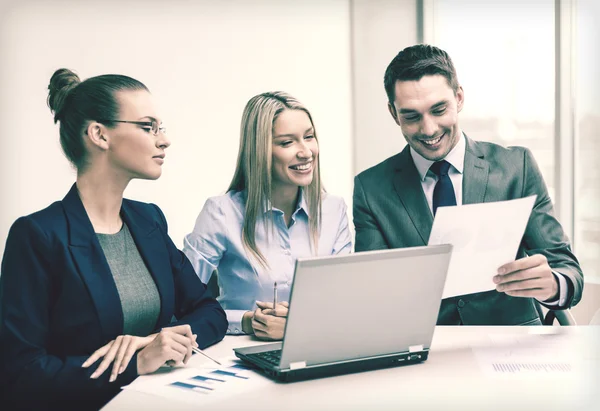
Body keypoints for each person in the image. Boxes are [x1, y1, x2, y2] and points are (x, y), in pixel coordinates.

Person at [0, 69, 228, 410]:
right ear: (99, 135)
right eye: (148, 126)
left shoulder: (148, 220)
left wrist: (155, 341)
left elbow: (210, 310)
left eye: (160, 128)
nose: (163, 139)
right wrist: (135, 363)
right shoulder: (38, 236)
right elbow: (21, 374)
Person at [353, 44, 583, 325]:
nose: (428, 129)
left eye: (439, 110)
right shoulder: (371, 189)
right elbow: (371, 292)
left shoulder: (516, 167)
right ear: (393, 113)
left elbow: (567, 269)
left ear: (459, 98)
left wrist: (553, 285)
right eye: (411, 116)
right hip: (426, 350)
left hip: (512, 343)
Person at [183, 91, 352, 340]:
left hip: (318, 344)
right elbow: (183, 305)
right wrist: (248, 321)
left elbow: (343, 299)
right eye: (287, 143)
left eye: (309, 137)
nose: (306, 152)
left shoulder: (333, 209)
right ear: (260, 150)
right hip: (243, 353)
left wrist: (300, 323)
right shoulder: (221, 212)